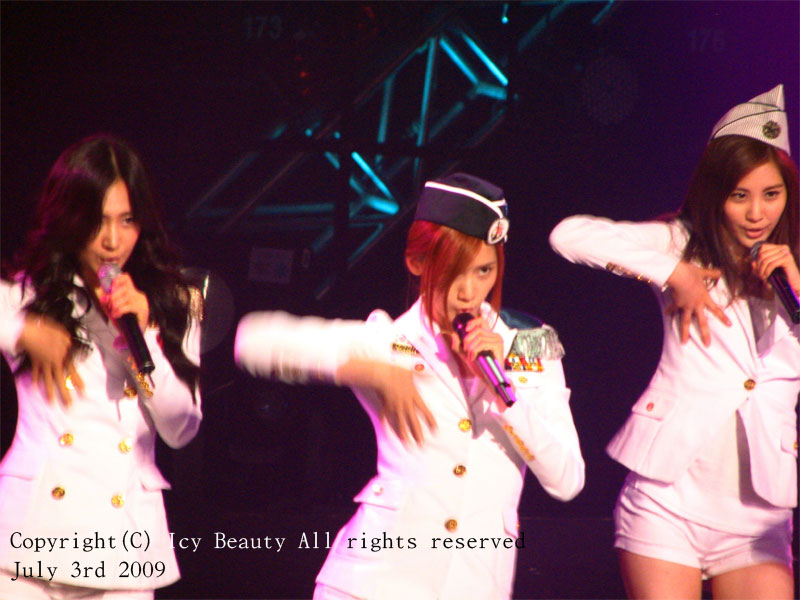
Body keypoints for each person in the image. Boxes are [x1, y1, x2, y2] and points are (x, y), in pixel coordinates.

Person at [235, 173, 585, 599]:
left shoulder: (529, 343)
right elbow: (253, 339)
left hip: (473, 584)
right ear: (417, 262)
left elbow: (566, 480)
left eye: (484, 270)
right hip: (373, 583)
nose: (469, 292)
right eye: (454, 271)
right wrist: (368, 370)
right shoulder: (390, 341)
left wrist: (504, 394)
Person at [549, 84, 799, 598]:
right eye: (740, 195)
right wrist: (673, 272)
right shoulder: (681, 243)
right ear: (715, 192)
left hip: (759, 518)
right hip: (667, 502)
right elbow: (568, 236)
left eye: (771, 194)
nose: (757, 213)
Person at [0, 134, 203, 600]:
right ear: (69, 218)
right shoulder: (27, 294)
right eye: (97, 221)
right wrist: (22, 332)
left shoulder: (176, 304)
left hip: (123, 542)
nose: (112, 242)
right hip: (29, 537)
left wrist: (143, 338)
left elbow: (181, 429)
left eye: (127, 221)